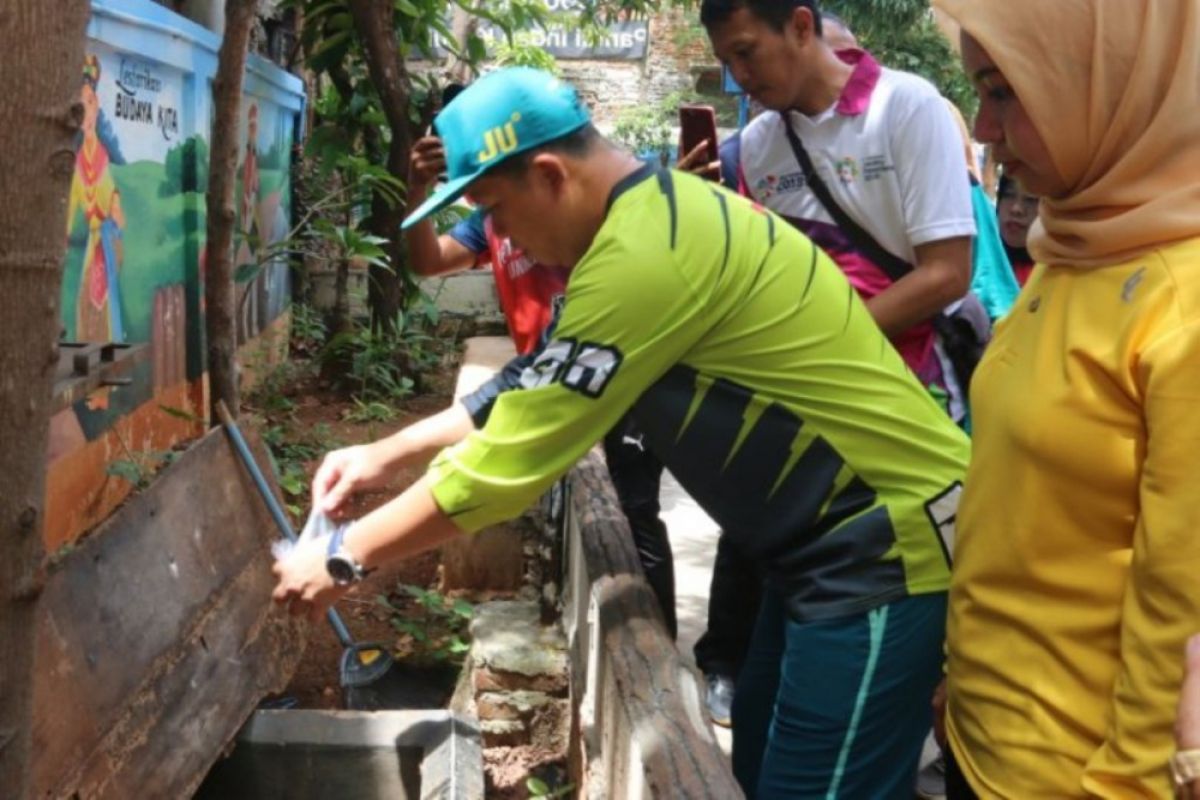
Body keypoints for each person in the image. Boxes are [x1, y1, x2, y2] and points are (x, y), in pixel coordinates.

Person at [273, 67, 970, 798]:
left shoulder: (644, 256)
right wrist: (385, 452)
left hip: (882, 551)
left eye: (497, 211)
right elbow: (537, 376)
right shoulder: (655, 218)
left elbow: (505, 467)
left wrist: (345, 558)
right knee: (762, 767)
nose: (501, 237)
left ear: (549, 174)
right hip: (812, 555)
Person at [929, 0, 1200, 796]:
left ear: (1104, 83)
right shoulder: (1078, 248)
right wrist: (961, 680)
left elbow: (1181, 594)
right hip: (988, 740)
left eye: (1004, 90)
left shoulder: (1180, 303)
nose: (983, 128)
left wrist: (1124, 783)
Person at [406, 129, 678, 643]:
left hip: (616, 377)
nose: (505, 226)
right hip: (544, 380)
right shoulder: (491, 220)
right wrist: (415, 190)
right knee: (567, 511)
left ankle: (655, 647)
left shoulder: (597, 215)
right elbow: (427, 261)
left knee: (634, 512)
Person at [697, 0, 977, 423]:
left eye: (746, 52)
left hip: (915, 396)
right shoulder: (757, 144)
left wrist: (822, 347)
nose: (738, 76)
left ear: (801, 26)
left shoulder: (908, 106)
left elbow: (947, 273)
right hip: (814, 408)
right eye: (725, 61)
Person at [995, 172, 1038, 287]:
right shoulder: (976, 264)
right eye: (1008, 195)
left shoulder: (1057, 275)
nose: (1016, 209)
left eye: (1031, 199)